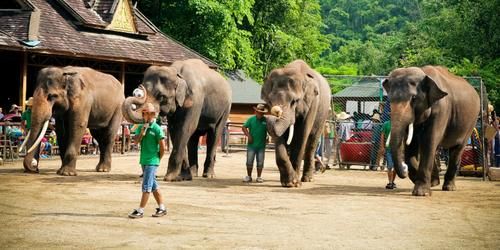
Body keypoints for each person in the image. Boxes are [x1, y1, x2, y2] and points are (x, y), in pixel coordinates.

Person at [128, 103, 167, 219]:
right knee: (153, 185)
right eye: (146, 114)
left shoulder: (157, 129)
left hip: (152, 161)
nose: (148, 116)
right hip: (144, 161)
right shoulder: (141, 127)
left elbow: (163, 147)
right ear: (143, 115)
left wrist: (157, 159)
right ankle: (162, 208)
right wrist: (142, 132)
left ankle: (140, 210)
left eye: (151, 114)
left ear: (154, 115)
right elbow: (135, 141)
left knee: (146, 186)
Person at [242, 104, 268, 183]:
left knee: (260, 162)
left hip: (261, 145)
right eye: (258, 112)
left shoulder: (266, 120)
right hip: (251, 145)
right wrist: (248, 135)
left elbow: (270, 129)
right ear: (255, 112)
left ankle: (259, 177)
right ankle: (249, 176)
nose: (260, 114)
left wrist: (268, 137)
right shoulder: (251, 119)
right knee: (249, 161)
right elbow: (244, 127)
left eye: (262, 112)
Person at [380, 119, 396, 189]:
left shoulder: (399, 123)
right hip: (388, 148)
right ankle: (390, 182)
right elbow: (382, 136)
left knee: (396, 167)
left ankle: (392, 181)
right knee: (390, 166)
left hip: (397, 149)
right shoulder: (386, 124)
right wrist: (382, 147)